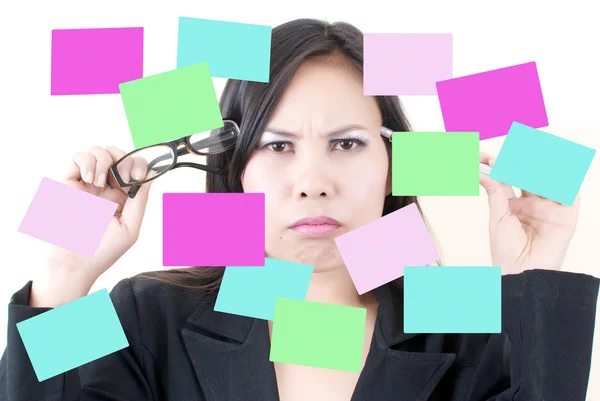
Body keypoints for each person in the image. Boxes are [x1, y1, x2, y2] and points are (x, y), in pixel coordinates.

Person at [1, 18, 598, 401]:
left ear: (394, 163)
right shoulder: (144, 315)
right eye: (277, 146)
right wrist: (63, 278)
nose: (312, 183)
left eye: (347, 143)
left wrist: (534, 278)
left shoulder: (473, 329)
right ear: (234, 168)